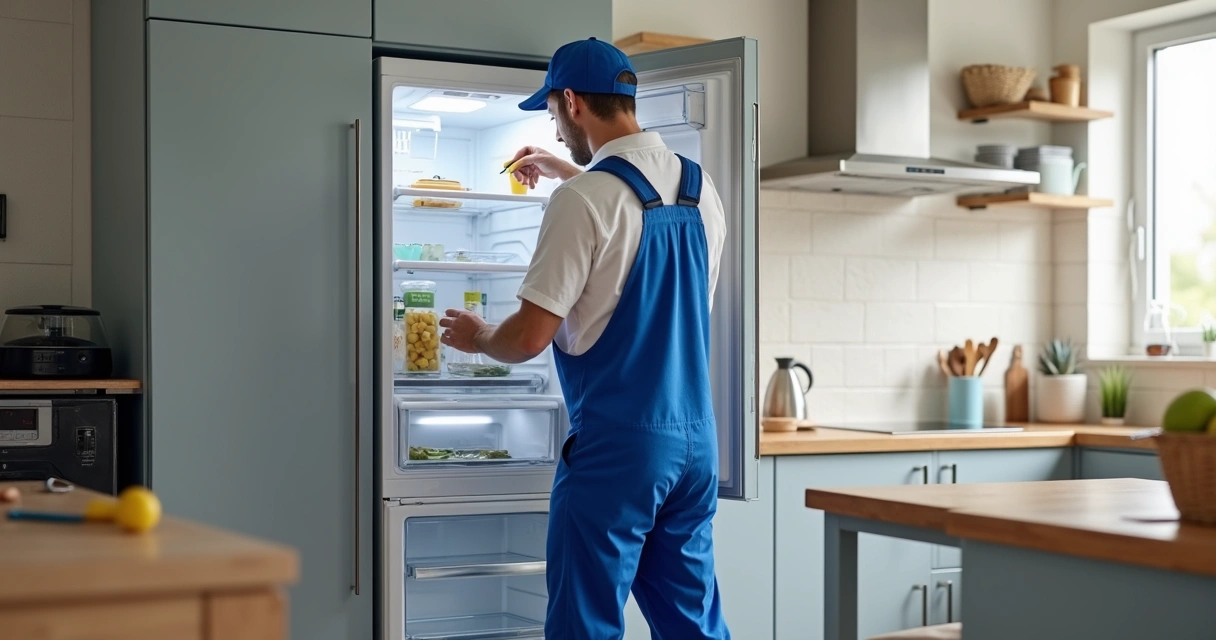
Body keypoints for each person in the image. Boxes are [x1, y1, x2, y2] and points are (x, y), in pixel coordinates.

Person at [438, 37, 729, 640]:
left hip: (618, 450)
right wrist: (569, 171)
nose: (556, 125)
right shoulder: (702, 192)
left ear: (571, 101)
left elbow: (528, 337)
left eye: (550, 113)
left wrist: (478, 335)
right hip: (695, 446)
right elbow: (635, 221)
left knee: (585, 624)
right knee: (690, 623)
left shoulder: (581, 201)